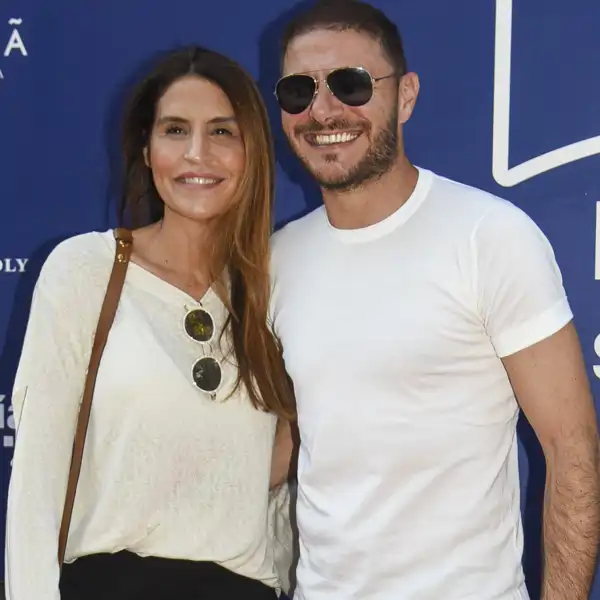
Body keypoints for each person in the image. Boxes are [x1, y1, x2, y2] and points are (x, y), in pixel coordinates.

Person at [268, 1, 600, 599]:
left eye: (351, 84)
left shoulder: (488, 237)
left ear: (408, 94)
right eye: (299, 90)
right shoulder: (277, 261)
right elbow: (284, 445)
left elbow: (570, 447)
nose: (322, 110)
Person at [5, 45, 296, 600]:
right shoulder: (85, 270)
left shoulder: (274, 292)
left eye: (221, 132)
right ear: (146, 148)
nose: (196, 154)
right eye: (174, 130)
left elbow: (274, 493)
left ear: (252, 150)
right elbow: (37, 482)